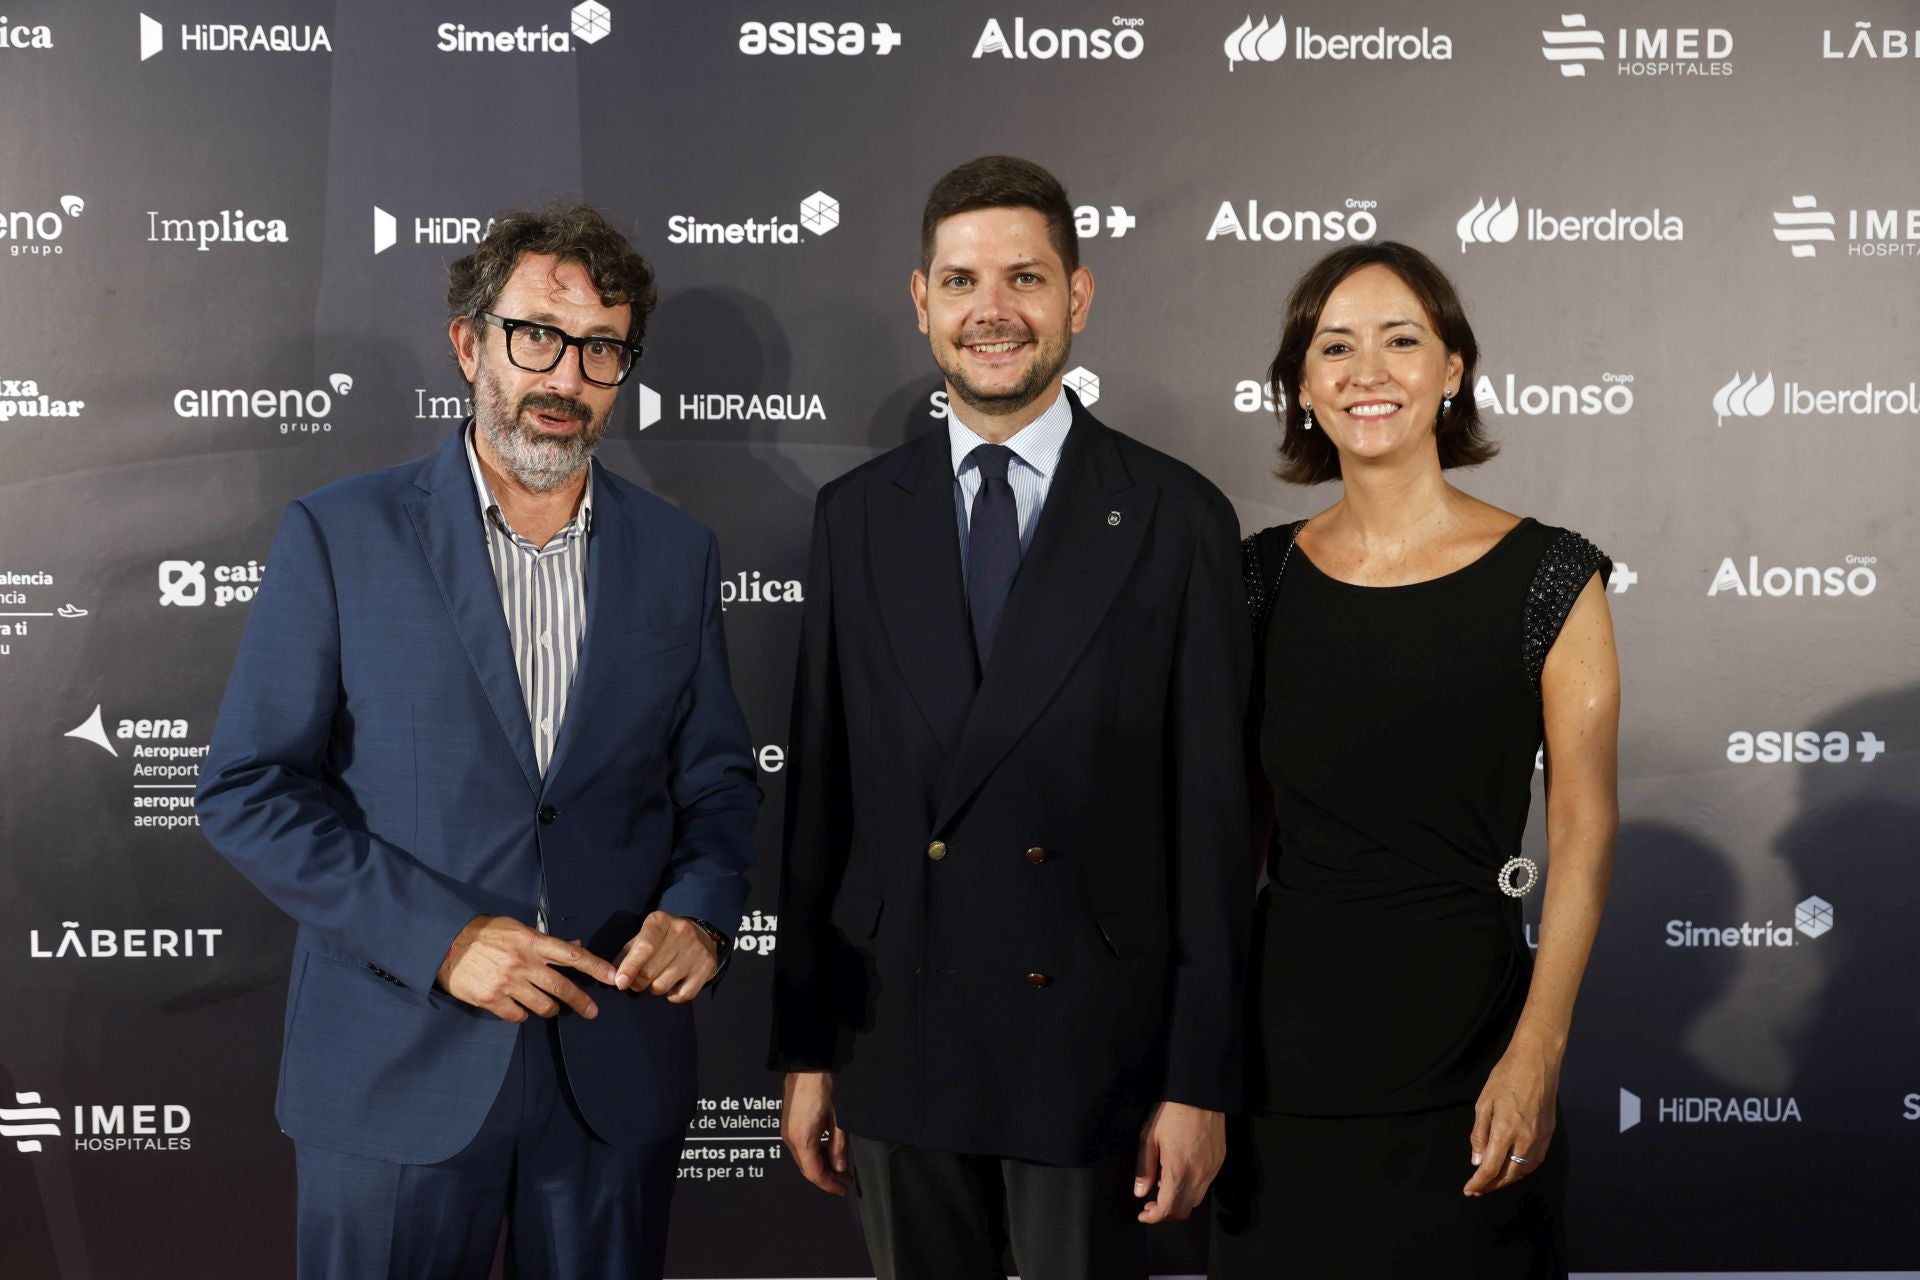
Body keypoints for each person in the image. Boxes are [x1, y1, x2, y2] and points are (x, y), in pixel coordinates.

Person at [195, 203, 761, 1280]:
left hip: (610, 1070)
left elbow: (718, 783)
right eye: (536, 335)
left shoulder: (678, 552)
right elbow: (248, 788)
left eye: (601, 348)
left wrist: (700, 910)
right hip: (395, 1064)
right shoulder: (341, 532)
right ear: (469, 344)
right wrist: (444, 941)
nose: (566, 376)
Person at [769, 155, 1253, 1280]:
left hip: (1094, 1043)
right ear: (922, 301)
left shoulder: (1176, 516)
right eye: (962, 281)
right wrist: (806, 1047)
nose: (992, 310)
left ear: (1077, 295)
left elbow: (1215, 828)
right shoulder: (855, 517)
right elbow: (820, 807)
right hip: (896, 1032)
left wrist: (1200, 1080)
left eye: (1024, 278)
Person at [1209, 241, 1618, 1278]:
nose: (1368, 371)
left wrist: (1538, 1051)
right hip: (1280, 1075)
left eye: (1401, 339)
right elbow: (1225, 840)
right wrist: (1193, 1066)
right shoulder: (1256, 581)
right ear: (1302, 386)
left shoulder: (1551, 576)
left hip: (1474, 1062)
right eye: (1334, 346)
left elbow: (1581, 830)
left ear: (1452, 368)